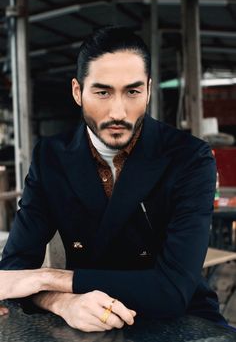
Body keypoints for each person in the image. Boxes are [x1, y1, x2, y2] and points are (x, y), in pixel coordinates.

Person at [0, 26, 226, 332]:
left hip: (182, 320)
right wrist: (61, 302)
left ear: (147, 90)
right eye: (102, 92)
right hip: (84, 317)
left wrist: (48, 278)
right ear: (78, 92)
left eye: (132, 91)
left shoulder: (189, 157)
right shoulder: (51, 157)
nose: (118, 111)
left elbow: (172, 290)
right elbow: (13, 270)